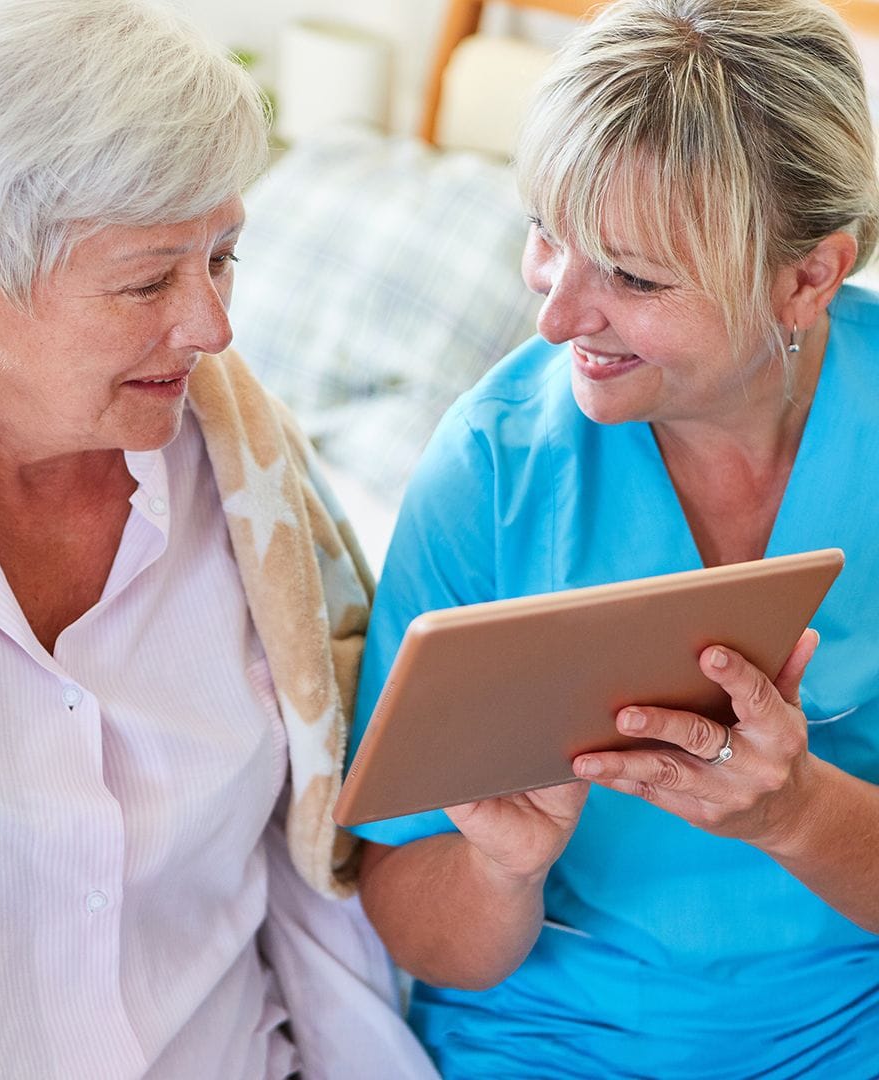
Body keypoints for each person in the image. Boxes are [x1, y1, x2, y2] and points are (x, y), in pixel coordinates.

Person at [347, 0, 879, 1075]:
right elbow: (410, 918)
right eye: (548, 235)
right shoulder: (491, 470)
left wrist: (798, 811)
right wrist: (502, 870)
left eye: (633, 278)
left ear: (810, 277)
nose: (554, 315)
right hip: (552, 1039)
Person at [0, 1, 439, 1077]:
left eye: (226, 257)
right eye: (149, 280)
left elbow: (324, 858)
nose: (212, 328)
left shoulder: (253, 486)